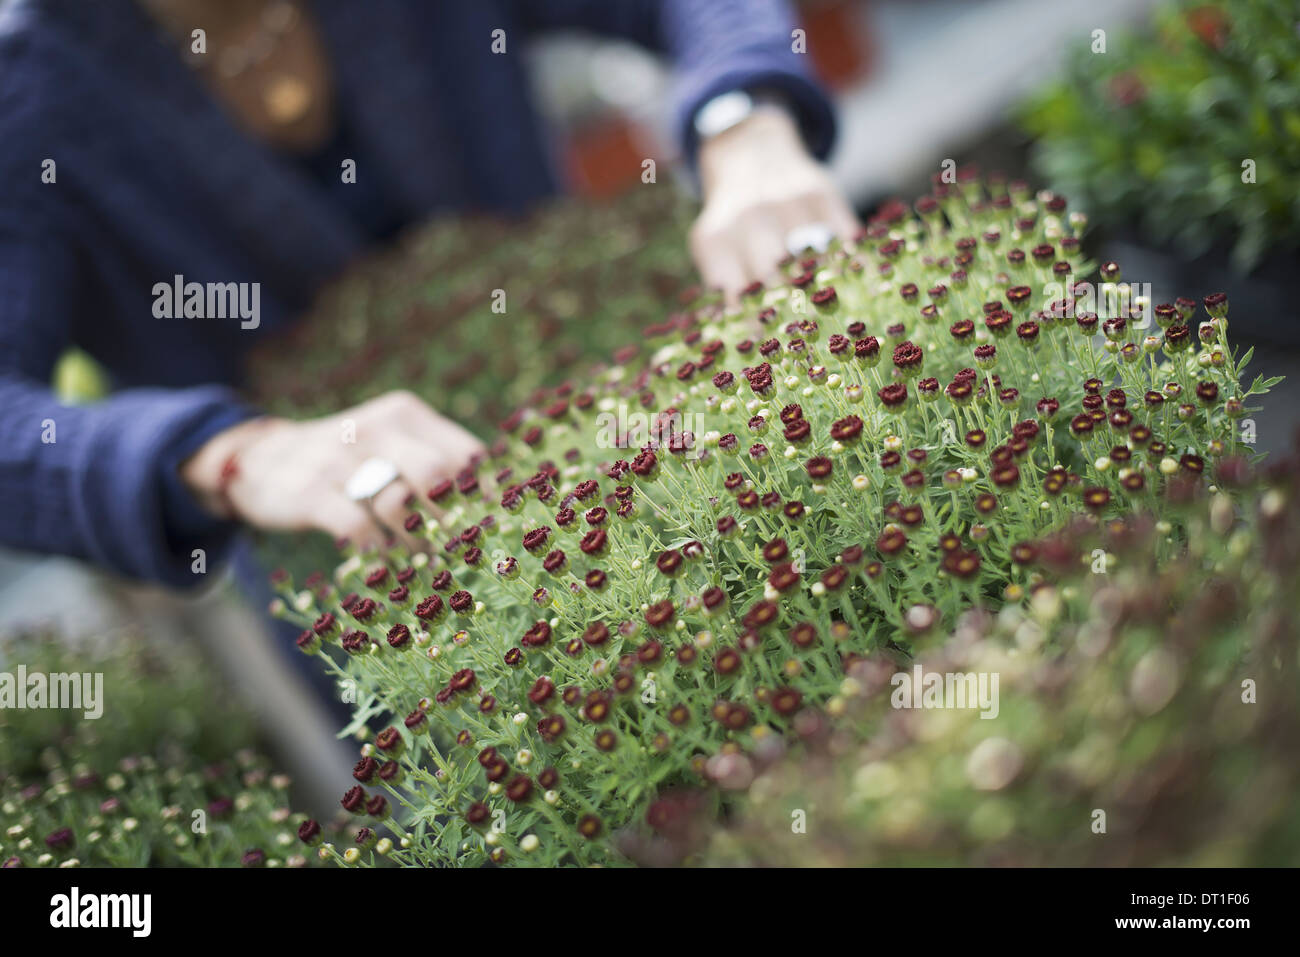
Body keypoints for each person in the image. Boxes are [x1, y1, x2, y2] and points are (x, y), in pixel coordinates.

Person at [0, 0, 859, 586]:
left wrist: (742, 123)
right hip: (374, 581)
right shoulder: (28, 91)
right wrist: (233, 456)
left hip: (642, 412)